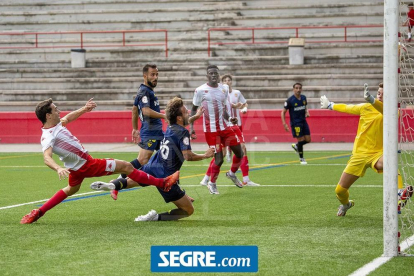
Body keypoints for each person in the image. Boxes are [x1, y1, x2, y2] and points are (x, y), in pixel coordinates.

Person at [20, 98, 179, 224]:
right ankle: (162, 183)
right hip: (86, 165)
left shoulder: (56, 124)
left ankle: (38, 212)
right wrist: (57, 168)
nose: (58, 111)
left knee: (71, 189)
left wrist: (84, 108)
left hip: (76, 169)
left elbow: (68, 118)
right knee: (126, 166)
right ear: (48, 115)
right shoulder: (48, 136)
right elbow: (47, 157)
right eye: (55, 110)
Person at [91, 97, 214, 221]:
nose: (188, 112)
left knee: (130, 182)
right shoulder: (183, 133)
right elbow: (188, 156)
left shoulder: (171, 126)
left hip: (153, 165)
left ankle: (111, 185)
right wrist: (205, 155)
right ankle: (155, 217)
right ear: (179, 118)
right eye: (186, 111)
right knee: (189, 210)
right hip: (166, 177)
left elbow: (183, 122)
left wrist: (195, 117)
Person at [320, 83, 404, 216]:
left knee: (390, 162)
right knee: (340, 191)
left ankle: (400, 194)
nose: (380, 95)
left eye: (383, 93)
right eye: (378, 92)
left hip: (378, 153)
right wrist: (330, 105)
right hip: (359, 155)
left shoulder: (393, 111)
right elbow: (348, 107)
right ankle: (346, 204)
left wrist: (372, 100)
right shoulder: (365, 107)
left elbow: (385, 111)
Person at [191, 65, 244, 194]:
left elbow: (223, 109)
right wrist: (191, 127)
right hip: (211, 131)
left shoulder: (224, 88)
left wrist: (230, 118)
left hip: (225, 127)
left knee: (240, 152)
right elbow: (194, 108)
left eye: (216, 73)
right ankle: (212, 183)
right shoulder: (200, 90)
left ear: (219, 75)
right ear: (207, 76)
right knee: (219, 159)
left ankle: (231, 173)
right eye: (211, 73)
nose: (214, 75)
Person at [114, 64, 165, 200]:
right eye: (152, 75)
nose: (155, 77)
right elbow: (145, 111)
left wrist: (135, 128)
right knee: (142, 160)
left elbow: (134, 110)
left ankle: (176, 189)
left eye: (157, 74)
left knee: (168, 158)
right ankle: (118, 181)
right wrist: (164, 116)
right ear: (145, 76)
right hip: (151, 131)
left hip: (157, 132)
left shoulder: (145, 90)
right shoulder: (145, 92)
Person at [199, 74, 260, 186]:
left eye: (229, 80)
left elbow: (242, 104)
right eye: (225, 80)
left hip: (235, 125)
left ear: (231, 81)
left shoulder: (236, 93)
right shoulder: (219, 92)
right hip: (223, 126)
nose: (227, 82)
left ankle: (245, 178)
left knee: (242, 148)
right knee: (219, 153)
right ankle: (207, 177)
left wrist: (242, 108)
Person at [281, 83, 311, 165]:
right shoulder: (290, 100)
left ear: (301, 89)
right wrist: (284, 124)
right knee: (301, 139)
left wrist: (307, 112)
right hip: (296, 123)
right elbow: (283, 112)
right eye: (296, 88)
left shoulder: (304, 98)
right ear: (293, 89)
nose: (298, 90)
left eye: (299, 88)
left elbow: (305, 106)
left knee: (308, 140)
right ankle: (301, 158)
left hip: (303, 121)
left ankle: (297, 146)